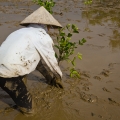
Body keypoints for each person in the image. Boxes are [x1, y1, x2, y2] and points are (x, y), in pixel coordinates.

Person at [0, 6, 63, 115]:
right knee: (31, 111)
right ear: (47, 26)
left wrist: (48, 77)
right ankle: (22, 103)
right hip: (7, 75)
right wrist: (58, 77)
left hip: (4, 67)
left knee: (21, 70)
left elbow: (35, 62)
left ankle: (18, 98)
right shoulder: (42, 36)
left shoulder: (19, 32)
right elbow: (51, 62)